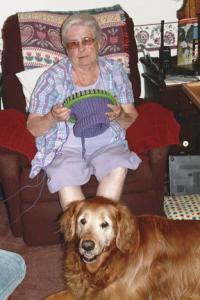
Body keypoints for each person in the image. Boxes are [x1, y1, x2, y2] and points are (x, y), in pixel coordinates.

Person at [27, 12, 141, 210]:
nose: (80, 49)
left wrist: (121, 115)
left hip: (107, 144)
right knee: (63, 173)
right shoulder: (52, 78)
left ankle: (100, 233)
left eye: (86, 41)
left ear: (98, 42)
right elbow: (33, 126)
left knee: (118, 165)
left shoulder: (115, 72)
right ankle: (82, 234)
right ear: (66, 48)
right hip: (65, 147)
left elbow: (130, 117)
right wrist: (52, 117)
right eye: (73, 44)